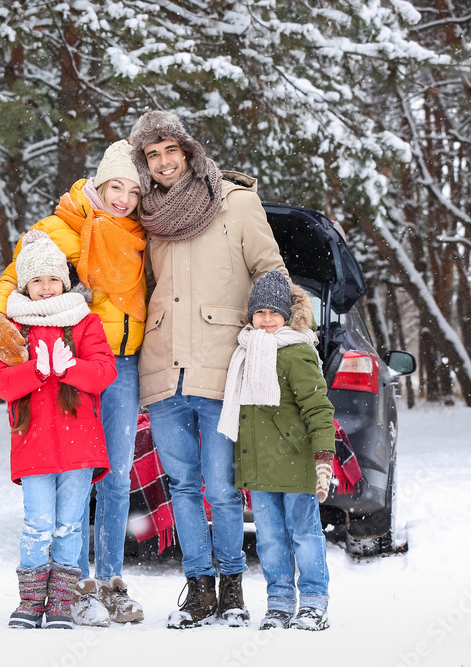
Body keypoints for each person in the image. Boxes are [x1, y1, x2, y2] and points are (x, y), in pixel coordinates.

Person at [127, 110, 287, 628]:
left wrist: (276, 323)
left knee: (222, 488)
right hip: (162, 367)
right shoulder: (146, 217)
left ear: (188, 151)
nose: (163, 162)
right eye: (152, 155)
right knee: (183, 487)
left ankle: (233, 589)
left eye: (170, 150)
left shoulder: (235, 202)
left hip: (221, 365)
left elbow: (271, 269)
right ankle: (198, 589)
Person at [0, 139, 147, 626]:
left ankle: (109, 583)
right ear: (97, 184)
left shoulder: (141, 233)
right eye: (114, 186)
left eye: (132, 191)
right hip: (65, 363)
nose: (122, 198)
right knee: (75, 486)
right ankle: (70, 589)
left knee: (115, 478)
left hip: (121, 363)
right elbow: (13, 280)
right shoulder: (55, 229)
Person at [0, 230, 117, 629]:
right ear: (25, 284)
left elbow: (104, 372)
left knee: (70, 524)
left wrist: (69, 368)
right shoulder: (11, 327)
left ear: (64, 281)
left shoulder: (84, 322)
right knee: (38, 523)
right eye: (37, 280)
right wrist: (36, 370)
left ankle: (61, 601)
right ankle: (30, 601)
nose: (46, 288)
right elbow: (0, 380)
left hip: (79, 445)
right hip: (34, 444)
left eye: (53, 279)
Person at [218, 271, 334, 631]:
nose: (266, 320)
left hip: (296, 463)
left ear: (287, 315)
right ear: (250, 315)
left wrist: (323, 457)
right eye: (259, 313)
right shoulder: (243, 352)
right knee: (269, 539)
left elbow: (318, 408)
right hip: (261, 466)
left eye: (274, 313)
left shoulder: (297, 352)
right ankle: (280, 601)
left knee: (304, 534)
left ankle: (314, 601)